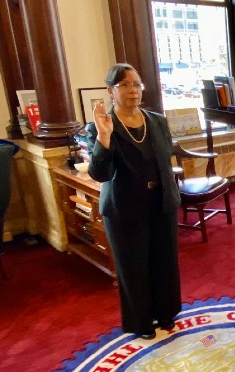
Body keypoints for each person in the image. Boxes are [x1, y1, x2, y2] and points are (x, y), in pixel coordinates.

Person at [88, 63, 182, 338]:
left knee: (164, 261)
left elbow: (165, 160)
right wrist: (104, 138)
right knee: (134, 267)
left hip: (161, 201)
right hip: (124, 207)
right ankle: (141, 322)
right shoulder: (102, 125)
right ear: (111, 90)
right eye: (125, 85)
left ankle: (165, 314)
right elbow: (100, 173)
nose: (133, 90)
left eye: (137, 84)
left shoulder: (157, 120)